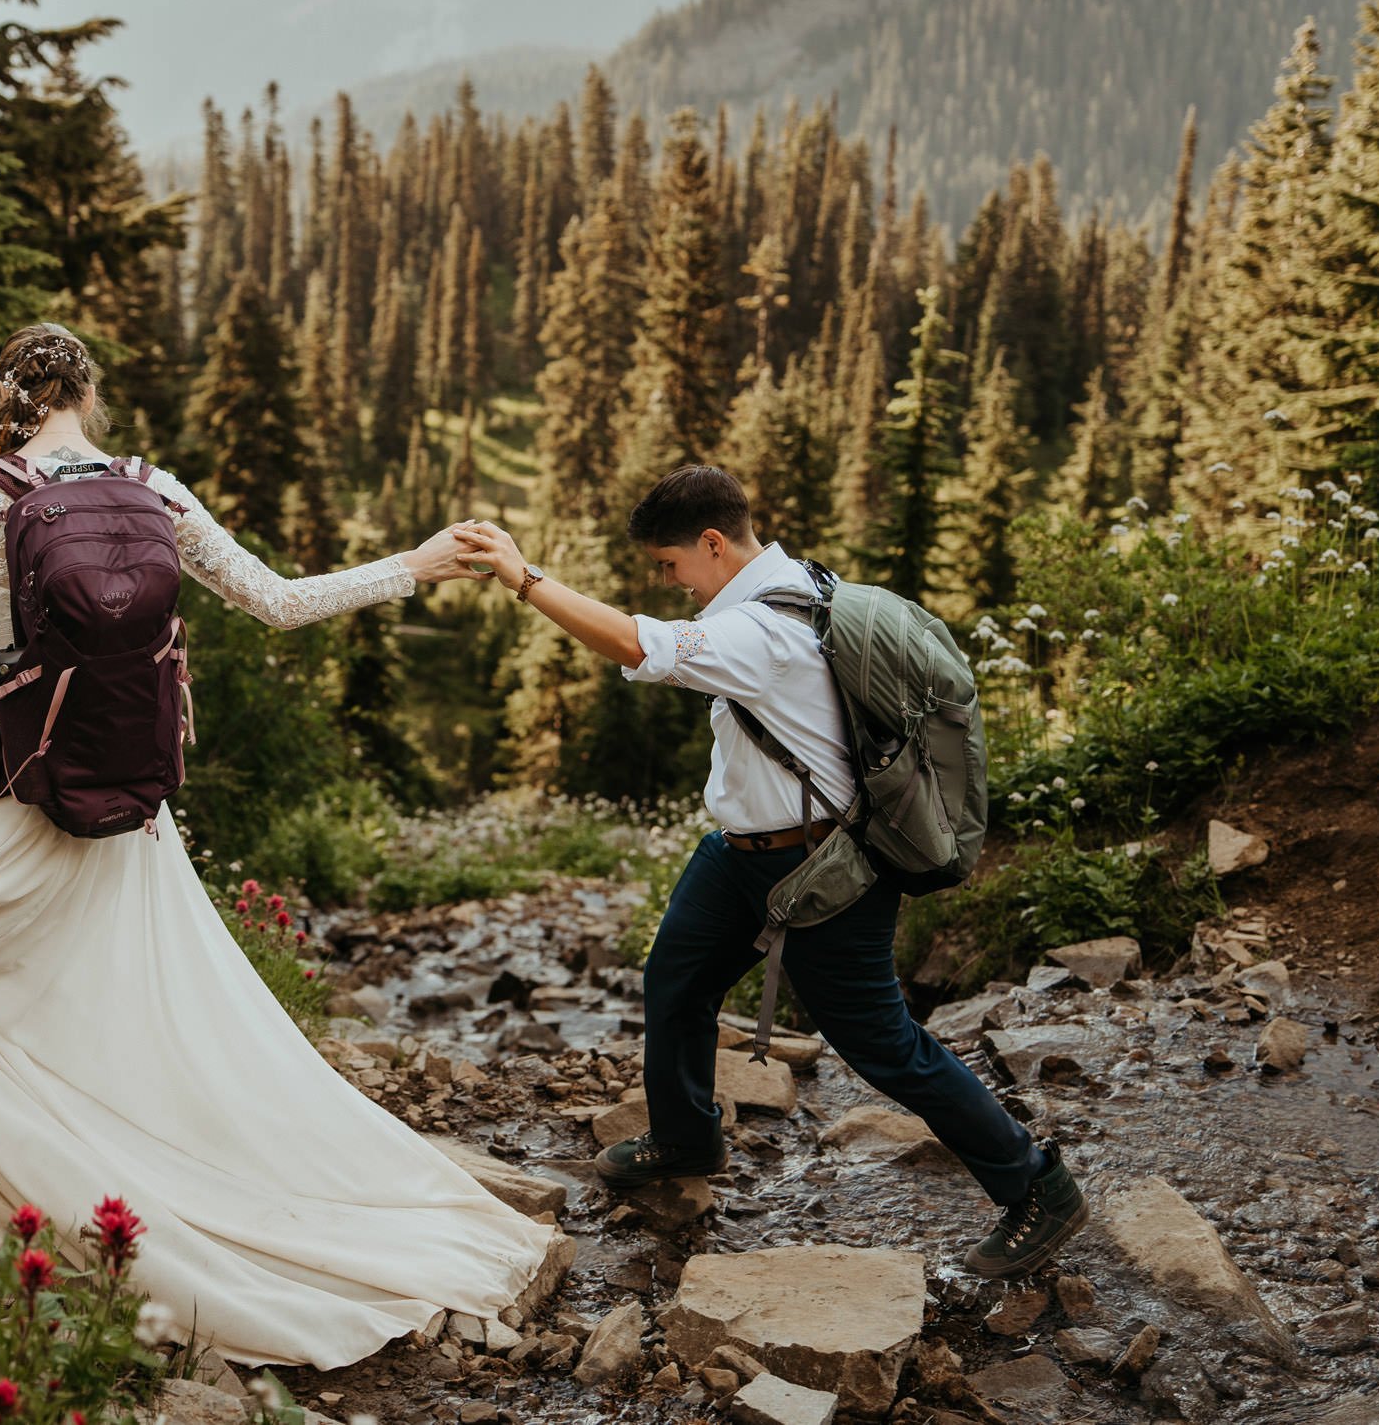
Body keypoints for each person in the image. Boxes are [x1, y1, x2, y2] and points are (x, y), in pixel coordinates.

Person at [0, 322, 559, 1367]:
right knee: (132, 1005)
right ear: (90, 395)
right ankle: (162, 1161)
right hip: (129, 802)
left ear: (7, 391)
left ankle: (31, 1153)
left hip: (17, 779)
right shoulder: (151, 485)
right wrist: (414, 563)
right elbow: (279, 602)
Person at [449, 466, 1088, 1279]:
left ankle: (1036, 1185)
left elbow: (634, 642)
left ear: (714, 543)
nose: (670, 582)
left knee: (883, 1044)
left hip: (823, 867)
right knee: (675, 982)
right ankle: (687, 1135)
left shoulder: (767, 628)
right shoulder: (794, 582)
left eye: (670, 563)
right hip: (738, 853)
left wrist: (524, 576)